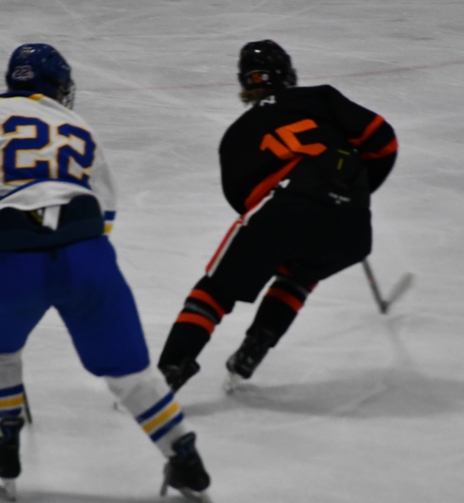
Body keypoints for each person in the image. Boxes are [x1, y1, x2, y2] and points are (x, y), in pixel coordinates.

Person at [0, 44, 211, 503]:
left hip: (12, 253)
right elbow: (105, 210)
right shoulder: (78, 124)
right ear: (57, 87)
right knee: (130, 371)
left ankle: (2, 447)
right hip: (85, 248)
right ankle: (183, 454)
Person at [157, 40, 398, 394]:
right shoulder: (319, 98)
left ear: (246, 84)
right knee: (301, 273)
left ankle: (168, 371)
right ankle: (254, 348)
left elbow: (243, 200)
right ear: (287, 74)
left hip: (286, 205)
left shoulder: (236, 135)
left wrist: (288, 218)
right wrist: (352, 189)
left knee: (217, 289)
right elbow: (383, 141)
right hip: (353, 223)